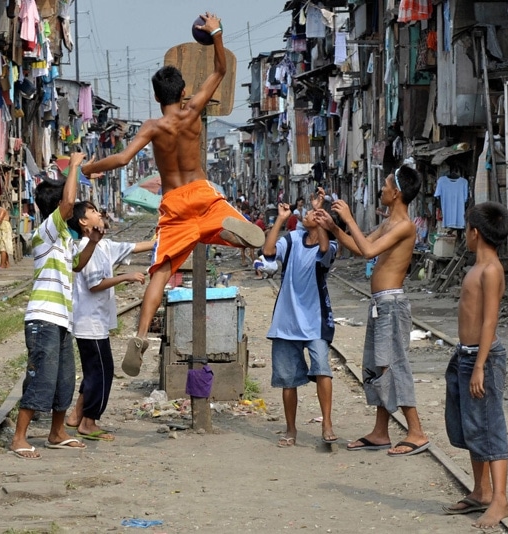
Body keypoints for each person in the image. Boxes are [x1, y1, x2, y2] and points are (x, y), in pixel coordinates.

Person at [80, 13, 264, 376]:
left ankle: (141, 336)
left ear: (154, 95)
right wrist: (216, 34)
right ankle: (232, 228)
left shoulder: (152, 127)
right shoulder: (193, 110)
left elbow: (121, 159)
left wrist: (86, 169)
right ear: (182, 92)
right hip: (202, 192)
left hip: (174, 203)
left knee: (160, 272)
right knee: (224, 220)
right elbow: (221, 70)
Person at [318, 165, 429, 456]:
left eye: (385, 185)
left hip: (391, 305)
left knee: (392, 365)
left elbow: (368, 251)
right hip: (381, 305)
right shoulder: (389, 222)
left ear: (397, 192)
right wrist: (333, 228)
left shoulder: (404, 225)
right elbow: (360, 246)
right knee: (379, 365)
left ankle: (416, 431)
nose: (381, 189)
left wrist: (349, 218)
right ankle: (381, 432)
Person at [8, 152, 104, 459]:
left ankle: (57, 432)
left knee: (64, 378)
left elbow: (76, 266)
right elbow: (66, 205)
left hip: (62, 319)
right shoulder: (46, 231)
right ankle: (19, 437)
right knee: (41, 377)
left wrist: (92, 242)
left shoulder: (65, 238)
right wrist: (74, 166)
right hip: (43, 318)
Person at [443, 202, 508, 529]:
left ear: (475, 232)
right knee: (472, 427)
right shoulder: (475, 267)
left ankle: (500, 500)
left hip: (481, 358)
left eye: (466, 229)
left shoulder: (491, 270)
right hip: (466, 355)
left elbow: (489, 322)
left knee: (489, 426)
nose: (464, 235)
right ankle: (481, 491)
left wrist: (481, 365)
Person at [65, 200, 154, 441]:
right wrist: (126, 277)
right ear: (84, 223)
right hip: (89, 322)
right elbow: (94, 285)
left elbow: (136, 246)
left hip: (97, 322)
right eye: (93, 212)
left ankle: (76, 416)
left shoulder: (104, 246)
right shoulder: (87, 248)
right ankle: (89, 422)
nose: (99, 213)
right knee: (102, 372)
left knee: (94, 371)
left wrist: (162, 235)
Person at [264, 192, 338, 447]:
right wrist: (280, 220)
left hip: (315, 322)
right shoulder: (293, 238)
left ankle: (326, 423)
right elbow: (268, 251)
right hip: (286, 322)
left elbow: (325, 249)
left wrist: (321, 222)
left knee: (322, 370)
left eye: (310, 213)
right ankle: (291, 429)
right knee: (288, 380)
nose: (303, 214)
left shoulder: (330, 246)